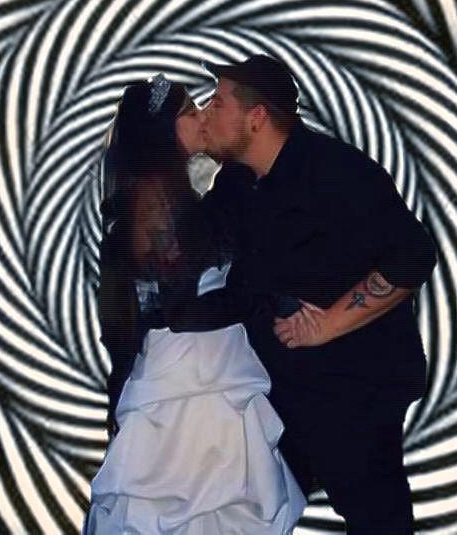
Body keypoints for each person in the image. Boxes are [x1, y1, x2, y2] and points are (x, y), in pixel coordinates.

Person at [168, 55, 438, 534]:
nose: (206, 113)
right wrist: (179, 152)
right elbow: (186, 250)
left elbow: (413, 255)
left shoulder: (336, 171)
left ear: (256, 116)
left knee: (377, 521)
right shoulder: (236, 182)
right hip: (274, 390)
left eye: (218, 103)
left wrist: (329, 324)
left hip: (353, 388)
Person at [82, 75, 306, 534]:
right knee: (197, 499)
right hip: (190, 375)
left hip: (201, 366)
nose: (203, 116)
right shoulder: (157, 202)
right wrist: (263, 302)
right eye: (189, 111)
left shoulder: (165, 194)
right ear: (165, 131)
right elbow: (180, 310)